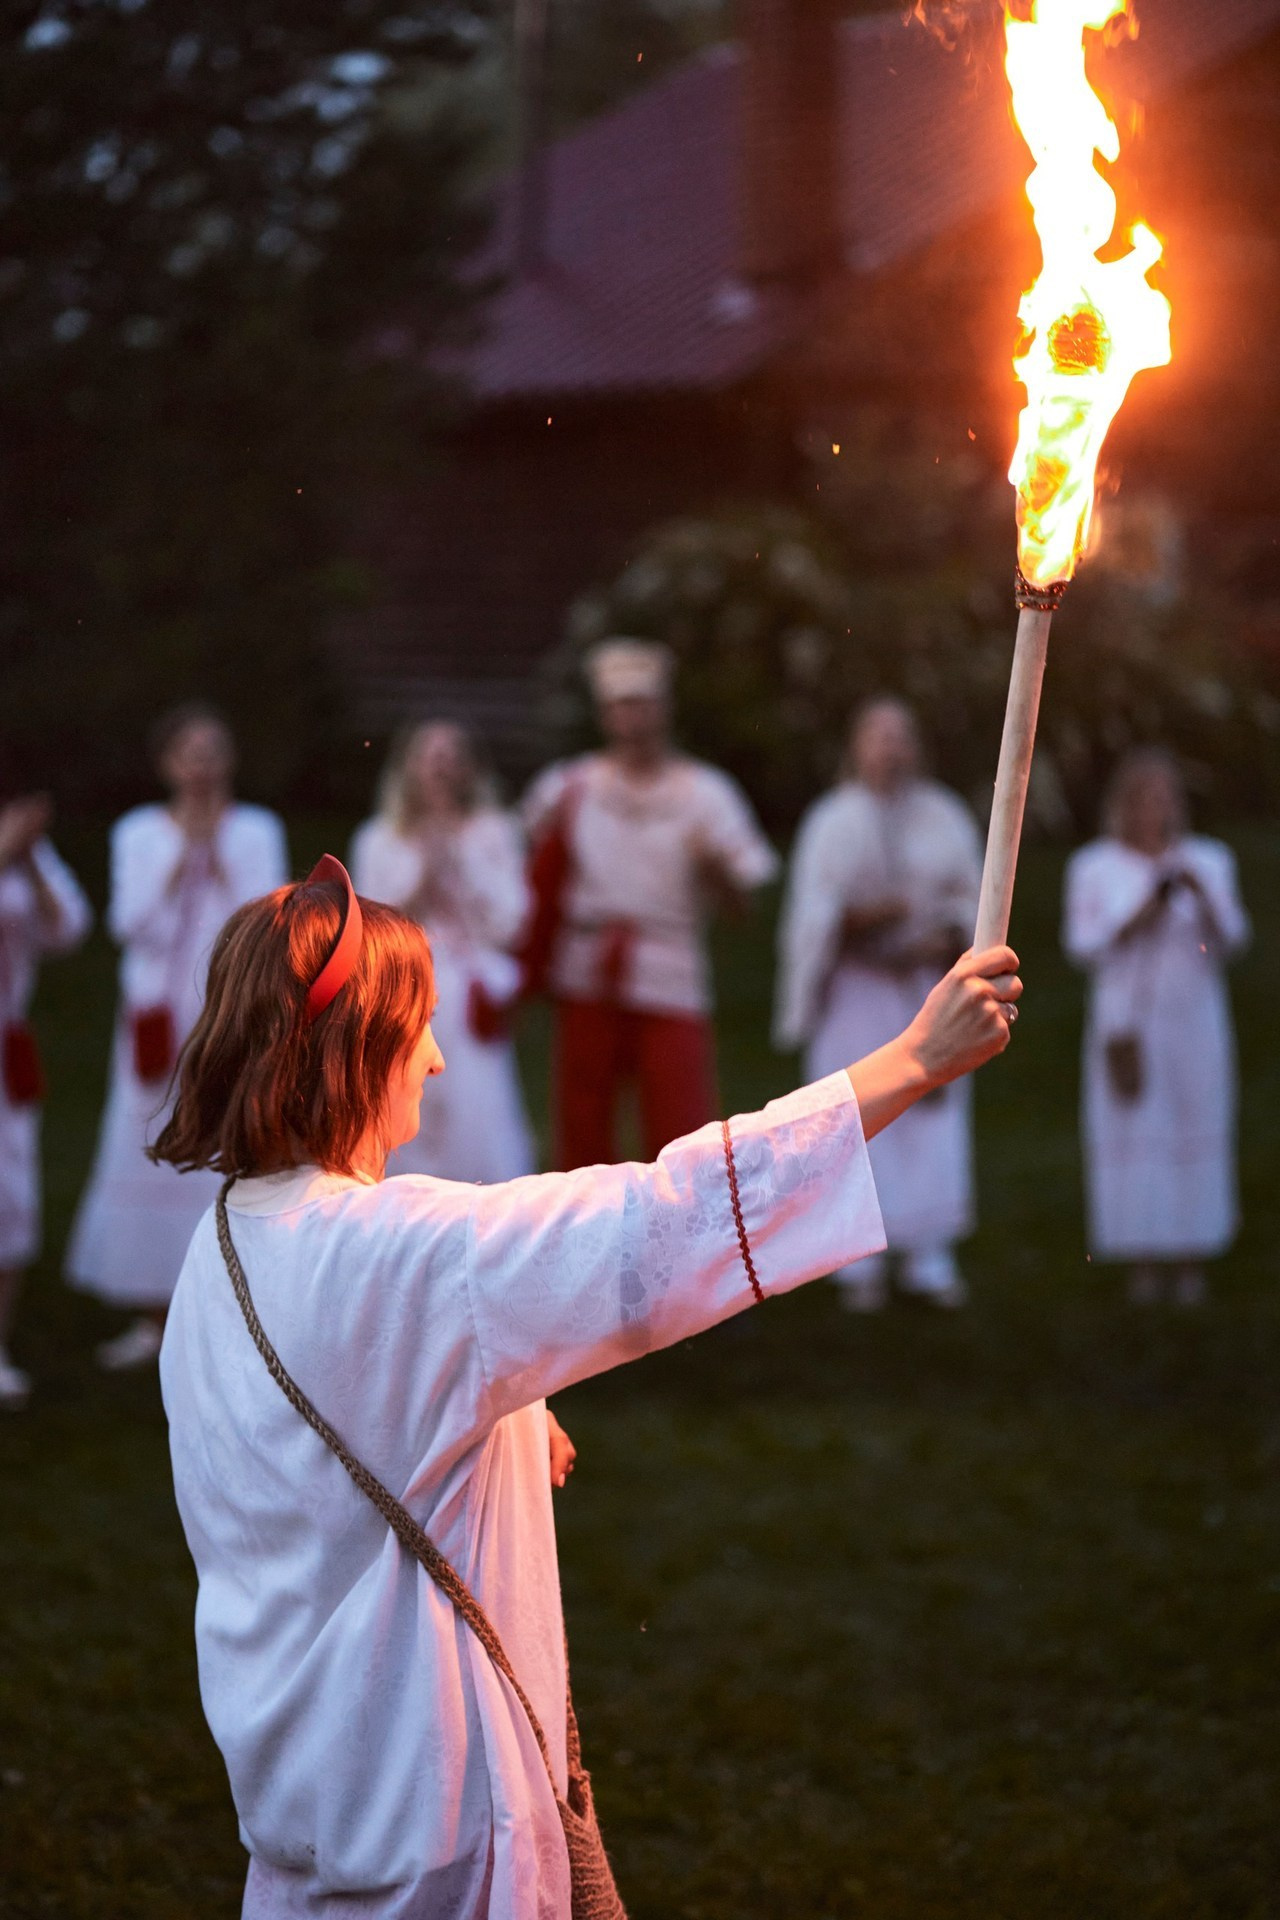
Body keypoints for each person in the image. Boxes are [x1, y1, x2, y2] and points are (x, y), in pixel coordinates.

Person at [155, 852, 1022, 1918]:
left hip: (302, 1814)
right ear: (358, 1047)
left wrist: (499, 1410)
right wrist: (908, 1063)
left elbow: (346, 1410)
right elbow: (659, 1220)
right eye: (415, 1028)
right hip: (434, 1833)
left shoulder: (223, 1248)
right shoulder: (404, 1255)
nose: (433, 1061)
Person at [66, 705, 287, 1368]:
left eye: (213, 751)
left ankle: (234, 1305)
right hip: (158, 1012)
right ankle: (152, 1312)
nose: (201, 766)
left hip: (224, 1002)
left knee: (231, 1137)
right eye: (188, 753)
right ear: (167, 764)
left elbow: (266, 912)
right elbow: (131, 922)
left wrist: (214, 850)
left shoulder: (254, 828)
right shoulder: (139, 830)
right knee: (149, 1140)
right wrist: (180, 854)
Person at [523, 638, 778, 1169]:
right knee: (581, 1126)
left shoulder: (706, 792)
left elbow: (746, 903)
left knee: (682, 1129)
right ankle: (585, 1239)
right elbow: (517, 863)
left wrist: (714, 873)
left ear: (664, 707)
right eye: (620, 704)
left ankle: (682, 1241)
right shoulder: (570, 786)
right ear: (603, 712)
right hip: (588, 968)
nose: (632, 717)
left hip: (669, 969)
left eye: (642, 702)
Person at [774, 698, 983, 1310]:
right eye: (878, 737)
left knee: (928, 1111)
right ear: (856, 747)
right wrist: (859, 921)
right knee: (857, 1112)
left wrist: (940, 935)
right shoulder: (832, 820)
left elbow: (975, 897)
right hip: (855, 991)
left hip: (924, 985)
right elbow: (810, 912)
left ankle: (929, 1252)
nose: (891, 750)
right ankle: (854, 1261)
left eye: (902, 737)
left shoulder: (943, 816)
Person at [1063, 747, 1250, 1305]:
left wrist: (1200, 895)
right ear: (1123, 805)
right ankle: (1141, 1258)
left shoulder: (1209, 860)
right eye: (1144, 798)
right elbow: (1082, 945)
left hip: (1194, 1021)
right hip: (1128, 1025)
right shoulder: (1094, 866)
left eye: (1165, 797)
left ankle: (1192, 1257)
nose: (1156, 808)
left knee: (1196, 1121)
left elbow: (1234, 941)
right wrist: (1144, 910)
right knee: (1134, 1130)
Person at [350, 722, 534, 1182]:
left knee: (479, 1104)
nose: (441, 767)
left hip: (470, 990)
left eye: (452, 755)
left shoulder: (493, 831)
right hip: (406, 986)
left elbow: (512, 922)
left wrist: (462, 865)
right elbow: (371, 926)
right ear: (408, 766)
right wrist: (422, 875)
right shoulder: (379, 837)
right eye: (430, 755)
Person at [0, 791, 92, 1407]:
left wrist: (29, 859)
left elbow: (69, 929)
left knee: (10, 1195)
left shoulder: (29, 852)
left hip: (7, 1043)